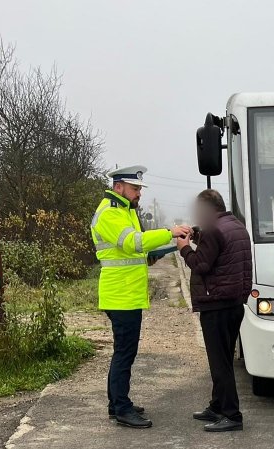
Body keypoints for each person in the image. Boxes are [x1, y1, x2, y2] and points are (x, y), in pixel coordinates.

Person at [90, 165, 191, 428]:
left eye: (139, 190)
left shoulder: (123, 211)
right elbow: (134, 242)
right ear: (119, 187)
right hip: (120, 295)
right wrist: (170, 232)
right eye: (135, 189)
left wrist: (152, 255)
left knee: (123, 352)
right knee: (125, 353)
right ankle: (122, 408)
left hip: (126, 293)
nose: (139, 194)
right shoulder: (110, 213)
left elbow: (131, 252)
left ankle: (117, 403)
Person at [177, 189, 251, 433]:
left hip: (216, 306)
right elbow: (220, 252)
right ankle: (217, 406)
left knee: (220, 365)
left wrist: (185, 247)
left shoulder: (214, 230)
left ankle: (232, 415)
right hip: (233, 305)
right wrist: (199, 235)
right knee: (225, 359)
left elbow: (202, 263)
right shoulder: (236, 226)